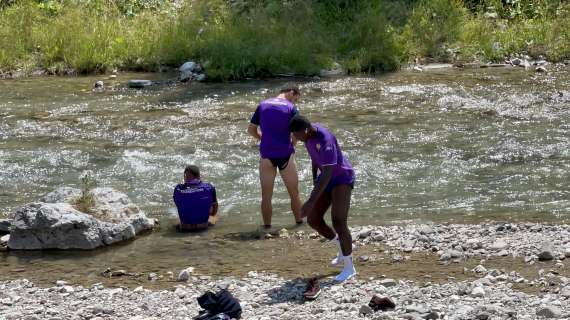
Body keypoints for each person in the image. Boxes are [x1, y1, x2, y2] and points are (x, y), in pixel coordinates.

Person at [288, 115, 356, 282]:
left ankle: (350, 268)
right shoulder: (308, 137)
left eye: (297, 135)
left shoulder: (325, 139)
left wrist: (311, 201)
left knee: (339, 220)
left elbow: (328, 172)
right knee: (314, 219)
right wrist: (314, 182)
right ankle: (340, 247)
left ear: (305, 130)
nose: (296, 138)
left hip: (341, 178)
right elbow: (315, 160)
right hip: (325, 178)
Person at [247, 83, 303, 229]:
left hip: (266, 155)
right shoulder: (291, 108)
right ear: (292, 92)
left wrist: (262, 139)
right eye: (295, 99)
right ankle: (299, 224)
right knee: (294, 193)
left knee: (266, 196)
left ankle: (267, 228)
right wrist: (293, 143)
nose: (294, 102)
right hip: (285, 153)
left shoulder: (263, 105)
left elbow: (251, 130)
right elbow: (298, 131)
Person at [173, 165, 218, 231]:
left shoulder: (178, 189)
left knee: (174, 217)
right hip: (203, 227)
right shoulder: (209, 188)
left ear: (185, 176)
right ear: (199, 176)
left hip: (185, 229)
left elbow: (179, 206)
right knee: (216, 216)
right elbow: (213, 212)